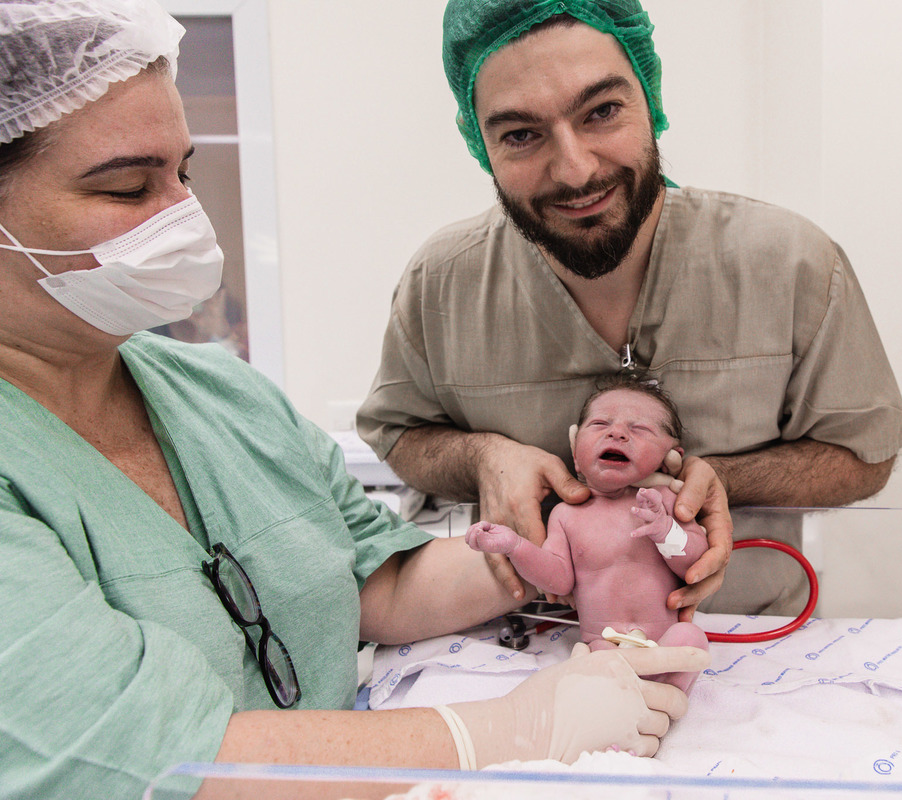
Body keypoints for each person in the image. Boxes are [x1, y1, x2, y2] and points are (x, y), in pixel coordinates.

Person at [0, 2, 708, 798]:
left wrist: (578, 542)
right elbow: (144, 756)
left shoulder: (220, 395)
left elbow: (375, 581)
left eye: (184, 175)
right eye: (129, 187)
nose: (185, 217)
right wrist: (511, 731)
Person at [356, 0, 902, 615]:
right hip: (522, 648)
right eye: (521, 135)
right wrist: (481, 456)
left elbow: (865, 456)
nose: (575, 170)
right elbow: (399, 434)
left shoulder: (792, 263)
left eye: (602, 111)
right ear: (480, 145)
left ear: (651, 98)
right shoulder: (443, 282)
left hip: (745, 644)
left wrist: (715, 479)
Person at [466, 373, 709, 691]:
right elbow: (558, 581)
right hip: (604, 645)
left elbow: (695, 563)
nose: (617, 433)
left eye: (639, 429)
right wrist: (515, 546)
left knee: (690, 638)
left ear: (669, 460)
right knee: (594, 664)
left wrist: (666, 531)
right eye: (599, 424)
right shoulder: (567, 515)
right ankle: (629, 701)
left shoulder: (665, 502)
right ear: (575, 453)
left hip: (664, 640)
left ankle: (666, 695)